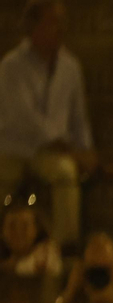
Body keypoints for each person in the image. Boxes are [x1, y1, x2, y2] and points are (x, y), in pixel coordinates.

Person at [0, 1, 95, 246]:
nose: (60, 28)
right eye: (53, 21)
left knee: (66, 174)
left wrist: (85, 150)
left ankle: (64, 248)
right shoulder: (11, 66)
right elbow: (24, 116)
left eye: (62, 21)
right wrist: (65, 146)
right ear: (34, 27)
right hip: (14, 147)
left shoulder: (70, 66)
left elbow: (78, 116)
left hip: (53, 152)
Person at [0, 200, 61, 277]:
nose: (18, 232)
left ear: (36, 229)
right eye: (12, 226)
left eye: (25, 226)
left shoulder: (47, 252)